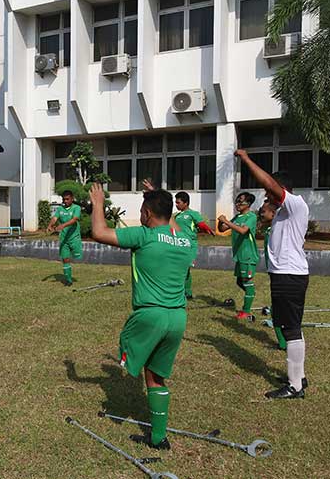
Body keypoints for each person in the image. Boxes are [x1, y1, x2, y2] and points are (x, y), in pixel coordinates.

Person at [88, 183, 195, 450]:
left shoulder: (144, 236)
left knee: (127, 344)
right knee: (155, 377)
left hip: (150, 315)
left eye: (142, 210)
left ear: (147, 213)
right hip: (178, 318)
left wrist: (98, 203)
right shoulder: (186, 241)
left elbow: (99, 232)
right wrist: (159, 198)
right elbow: (170, 220)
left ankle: (127, 360)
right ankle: (158, 438)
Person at [236, 149, 310, 399]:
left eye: (270, 192)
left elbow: (268, 183)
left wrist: (246, 160)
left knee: (290, 328)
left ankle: (295, 386)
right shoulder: (281, 214)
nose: (266, 196)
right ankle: (297, 377)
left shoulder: (296, 205)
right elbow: (265, 216)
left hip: (290, 276)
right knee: (289, 326)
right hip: (284, 275)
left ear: (281, 190)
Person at [217, 192, 259, 320]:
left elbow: (242, 230)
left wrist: (226, 221)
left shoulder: (251, 217)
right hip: (239, 255)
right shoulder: (237, 217)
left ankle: (246, 311)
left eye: (241, 201)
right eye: (237, 201)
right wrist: (221, 222)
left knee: (247, 282)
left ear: (249, 204)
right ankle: (250, 294)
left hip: (248, 255)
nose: (238, 204)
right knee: (240, 281)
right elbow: (223, 229)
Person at [171, 191, 215, 299]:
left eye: (178, 202)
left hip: (189, 244)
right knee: (181, 268)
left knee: (185, 268)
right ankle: (182, 291)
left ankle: (187, 293)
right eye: (175, 202)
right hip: (178, 244)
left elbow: (201, 224)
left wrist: (209, 230)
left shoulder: (192, 214)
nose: (176, 205)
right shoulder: (177, 216)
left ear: (185, 203)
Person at [259, 200, 285, 350]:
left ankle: (284, 342)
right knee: (276, 307)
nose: (261, 214)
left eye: (264, 211)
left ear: (273, 213)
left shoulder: (279, 228)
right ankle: (282, 341)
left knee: (278, 308)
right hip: (273, 272)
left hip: (282, 273)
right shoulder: (269, 229)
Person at [46, 190, 82, 286]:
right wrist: (50, 225)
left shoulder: (76, 208)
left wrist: (63, 226)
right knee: (65, 259)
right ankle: (68, 280)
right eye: (64, 199)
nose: (65, 201)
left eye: (67, 199)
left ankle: (70, 276)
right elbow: (54, 218)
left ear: (72, 199)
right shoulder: (60, 209)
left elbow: (75, 219)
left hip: (74, 238)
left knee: (78, 257)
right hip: (64, 239)